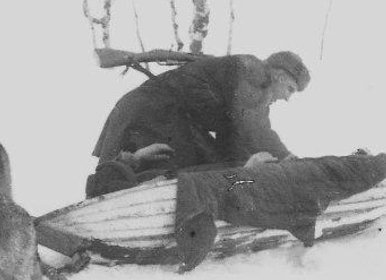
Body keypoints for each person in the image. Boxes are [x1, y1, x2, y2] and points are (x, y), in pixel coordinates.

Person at [86, 51, 311, 198]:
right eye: (290, 89)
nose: (287, 98)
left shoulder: (251, 76)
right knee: (170, 176)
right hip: (156, 112)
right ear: (280, 76)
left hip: (155, 110)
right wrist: (285, 158)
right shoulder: (255, 75)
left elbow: (233, 134)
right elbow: (253, 128)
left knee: (200, 168)